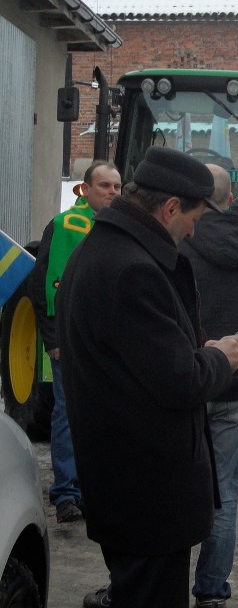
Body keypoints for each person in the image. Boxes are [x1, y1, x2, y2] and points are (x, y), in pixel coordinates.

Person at [57, 146, 238, 608]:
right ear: (169, 208)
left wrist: (188, 345)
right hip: (146, 491)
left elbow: (140, 357)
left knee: (135, 606)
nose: (194, 230)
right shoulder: (133, 268)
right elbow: (180, 382)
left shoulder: (103, 249)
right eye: (194, 218)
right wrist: (217, 358)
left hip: (124, 483)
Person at [180, 165, 238, 608]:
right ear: (232, 198)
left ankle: (155, 582)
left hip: (186, 379)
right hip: (234, 382)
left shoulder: (180, 242)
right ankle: (212, 588)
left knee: (170, 483)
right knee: (224, 487)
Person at [30, 160, 121, 524]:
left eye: (116, 186)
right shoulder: (65, 226)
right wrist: (52, 337)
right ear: (85, 189)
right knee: (68, 412)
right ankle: (66, 492)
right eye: (104, 186)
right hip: (69, 339)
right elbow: (44, 286)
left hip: (108, 340)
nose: (112, 192)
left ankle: (93, 486)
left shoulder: (118, 230)